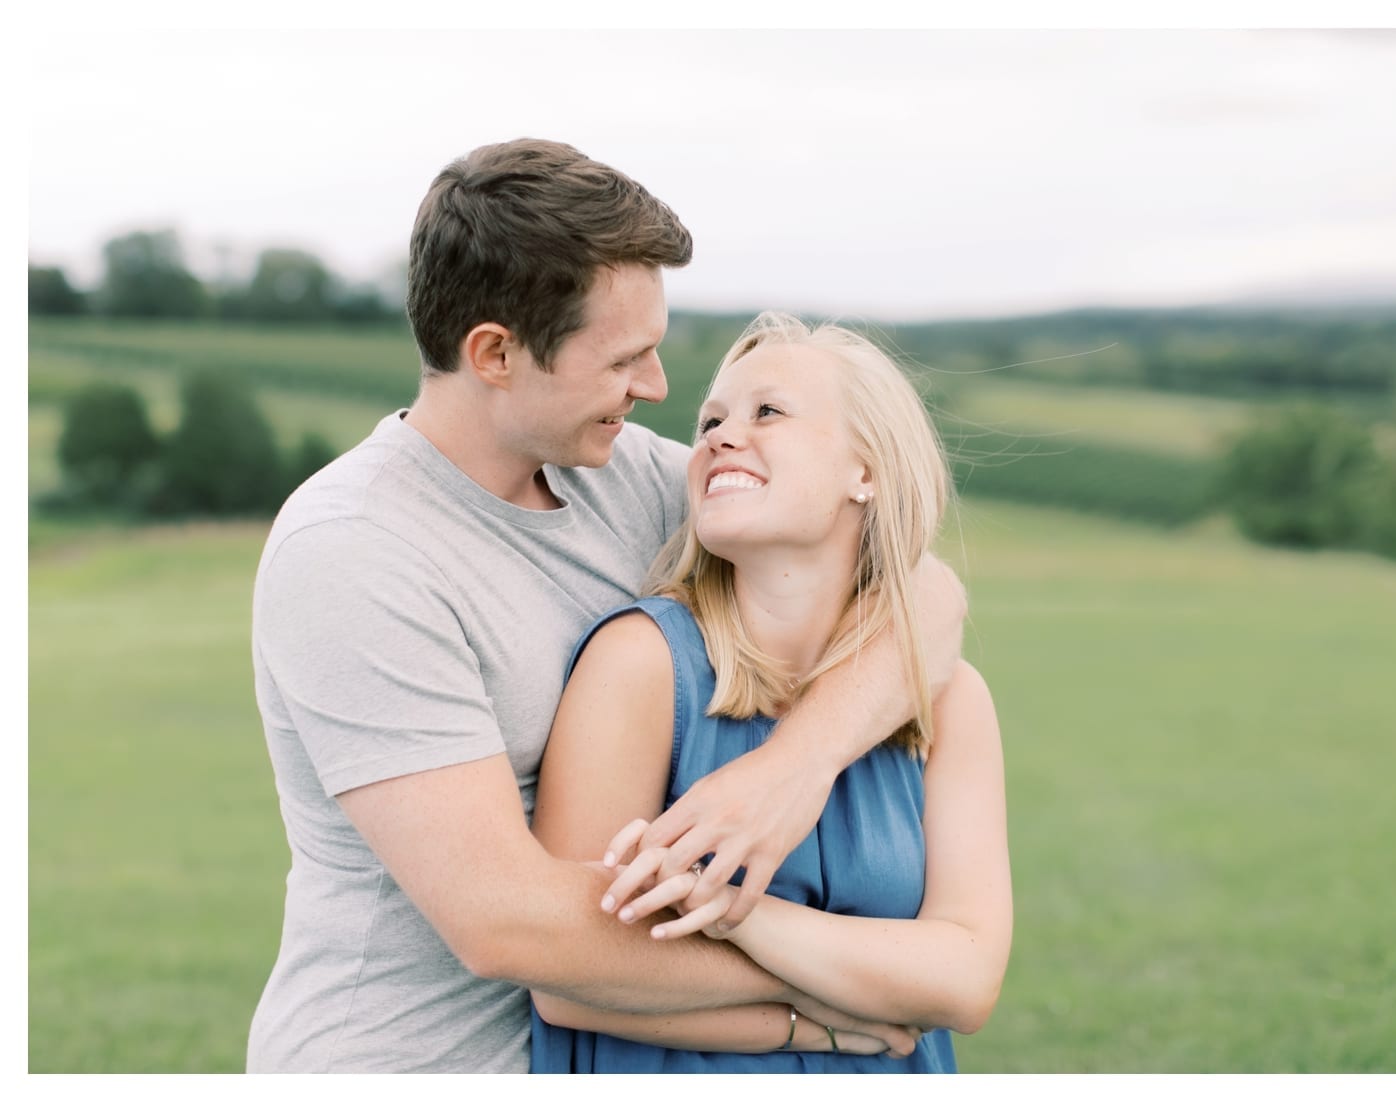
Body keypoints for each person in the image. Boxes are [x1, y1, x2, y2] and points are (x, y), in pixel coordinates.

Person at [247, 139, 968, 1072]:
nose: (658, 388)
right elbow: (509, 927)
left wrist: (793, 769)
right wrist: (818, 1008)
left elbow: (920, 584)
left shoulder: (621, 479)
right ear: (496, 353)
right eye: (625, 357)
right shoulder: (355, 554)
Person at [529, 312, 1013, 1072]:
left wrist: (725, 912)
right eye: (711, 420)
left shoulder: (948, 700)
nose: (719, 436)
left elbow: (965, 979)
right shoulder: (642, 663)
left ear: (868, 470)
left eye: (768, 413)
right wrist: (832, 1007)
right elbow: (565, 979)